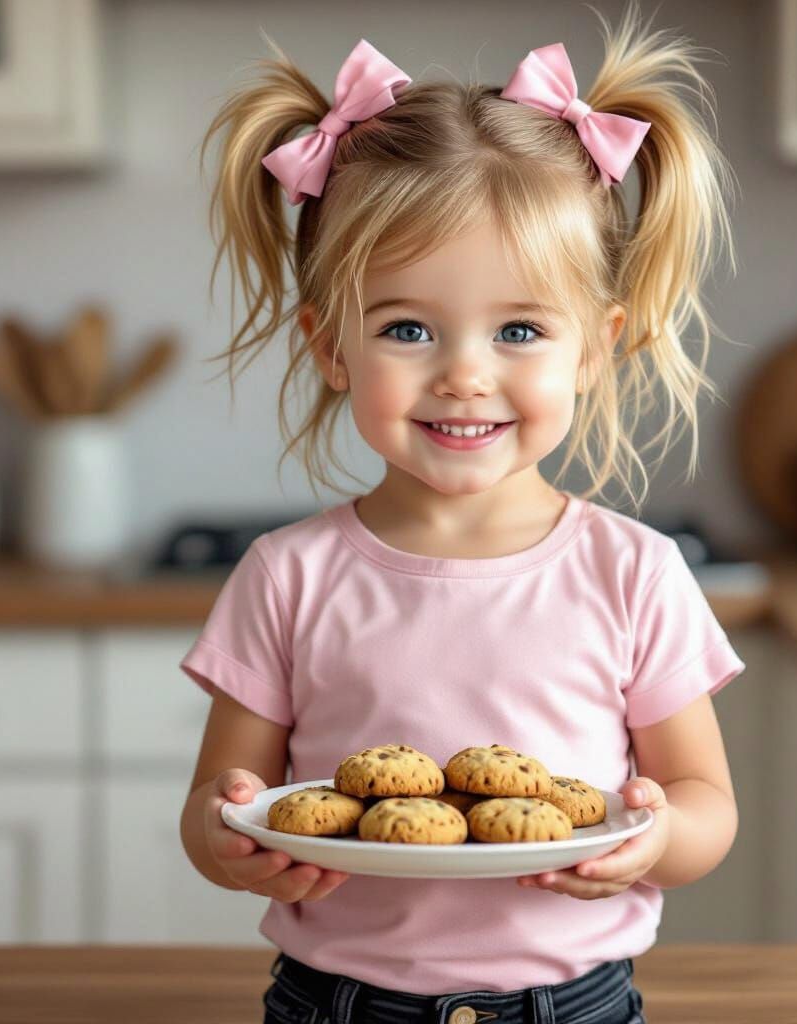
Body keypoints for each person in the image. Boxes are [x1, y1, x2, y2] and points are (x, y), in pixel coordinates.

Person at [179, 4, 743, 1021]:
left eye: (520, 327)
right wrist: (233, 844)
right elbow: (221, 803)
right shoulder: (287, 575)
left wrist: (653, 841)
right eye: (407, 327)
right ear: (330, 345)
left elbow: (705, 805)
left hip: (573, 1003)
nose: (464, 375)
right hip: (340, 1002)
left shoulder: (633, 571)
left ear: (595, 345)